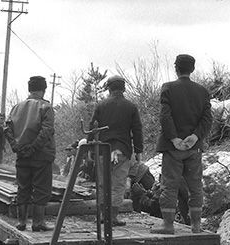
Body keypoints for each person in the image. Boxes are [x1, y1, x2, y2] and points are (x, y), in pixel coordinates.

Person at [151, 54, 213, 234]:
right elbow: (207, 118)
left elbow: (165, 116)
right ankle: (196, 226)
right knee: (195, 187)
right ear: (192, 69)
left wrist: (174, 139)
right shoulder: (202, 91)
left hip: (173, 149)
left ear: (176, 68)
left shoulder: (168, 88)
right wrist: (195, 136)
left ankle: (168, 226)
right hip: (194, 149)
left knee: (169, 186)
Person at [90, 75, 143, 226]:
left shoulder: (101, 105)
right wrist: (138, 150)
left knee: (102, 183)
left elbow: (92, 126)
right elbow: (137, 130)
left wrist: (90, 148)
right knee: (118, 184)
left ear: (109, 88)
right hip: (122, 150)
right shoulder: (131, 107)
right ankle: (112, 217)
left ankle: (101, 215)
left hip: (102, 149)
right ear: (124, 88)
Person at [5, 76, 55, 231]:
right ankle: (38, 223)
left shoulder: (16, 107)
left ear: (29, 89)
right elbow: (46, 131)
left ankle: (21, 222)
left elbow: (7, 129)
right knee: (41, 188)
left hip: (22, 155)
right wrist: (33, 148)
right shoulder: (45, 107)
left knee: (23, 187)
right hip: (41, 155)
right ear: (43, 89)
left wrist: (16, 147)